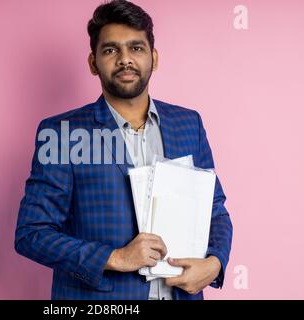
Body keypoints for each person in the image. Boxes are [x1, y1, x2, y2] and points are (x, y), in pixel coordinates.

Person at [14, 0, 232, 300]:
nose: (125, 59)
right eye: (110, 50)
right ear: (93, 62)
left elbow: (215, 210)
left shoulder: (188, 124)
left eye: (136, 48)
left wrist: (214, 263)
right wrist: (115, 257)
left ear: (153, 58)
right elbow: (32, 233)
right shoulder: (63, 134)